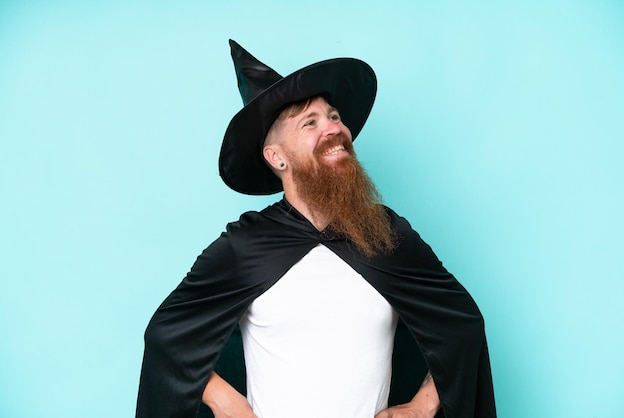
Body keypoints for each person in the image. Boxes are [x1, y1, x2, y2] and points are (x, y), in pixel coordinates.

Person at [136, 40, 496, 418]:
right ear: (276, 157)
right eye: (310, 122)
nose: (334, 128)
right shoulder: (245, 245)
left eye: (335, 116)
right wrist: (225, 400)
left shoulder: (385, 234)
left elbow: (462, 329)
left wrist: (423, 407)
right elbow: (166, 339)